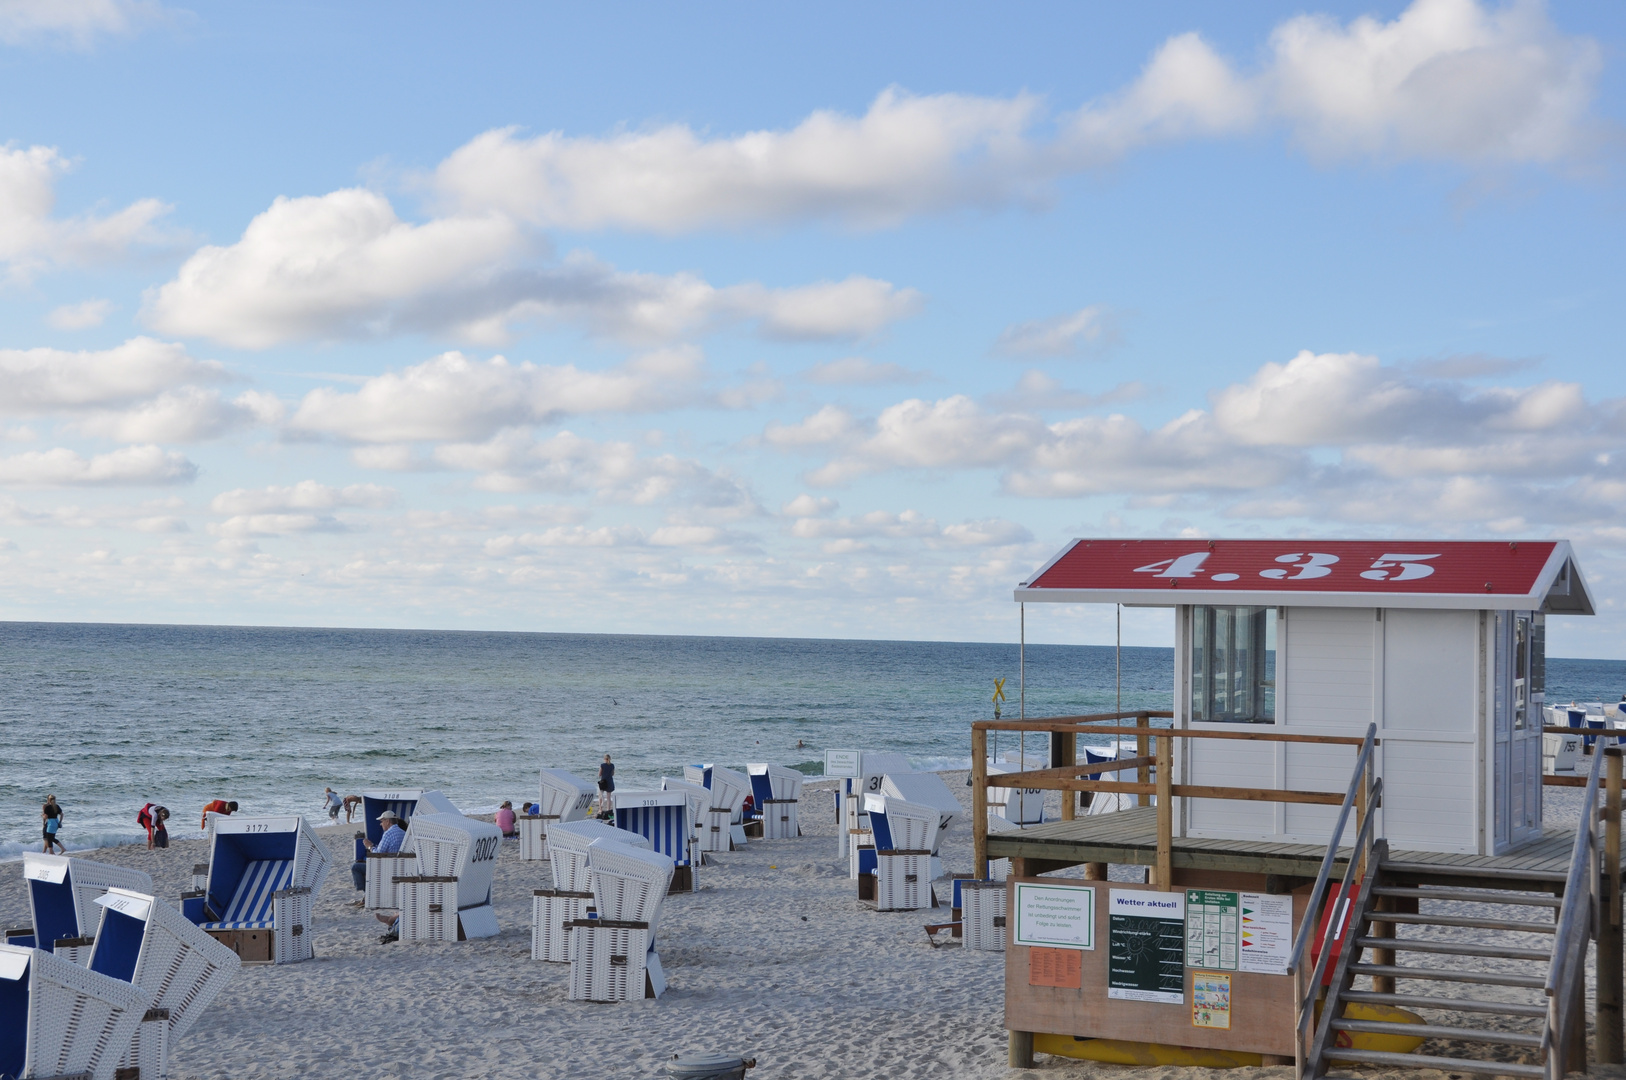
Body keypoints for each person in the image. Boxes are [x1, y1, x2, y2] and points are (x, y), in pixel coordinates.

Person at [350, 809, 406, 891]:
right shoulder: (403, 832)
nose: (380, 824)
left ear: (387, 821)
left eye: (382, 821)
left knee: (356, 867)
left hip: (386, 867)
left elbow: (378, 854)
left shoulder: (388, 833)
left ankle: (366, 894)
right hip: (399, 866)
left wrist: (369, 846)